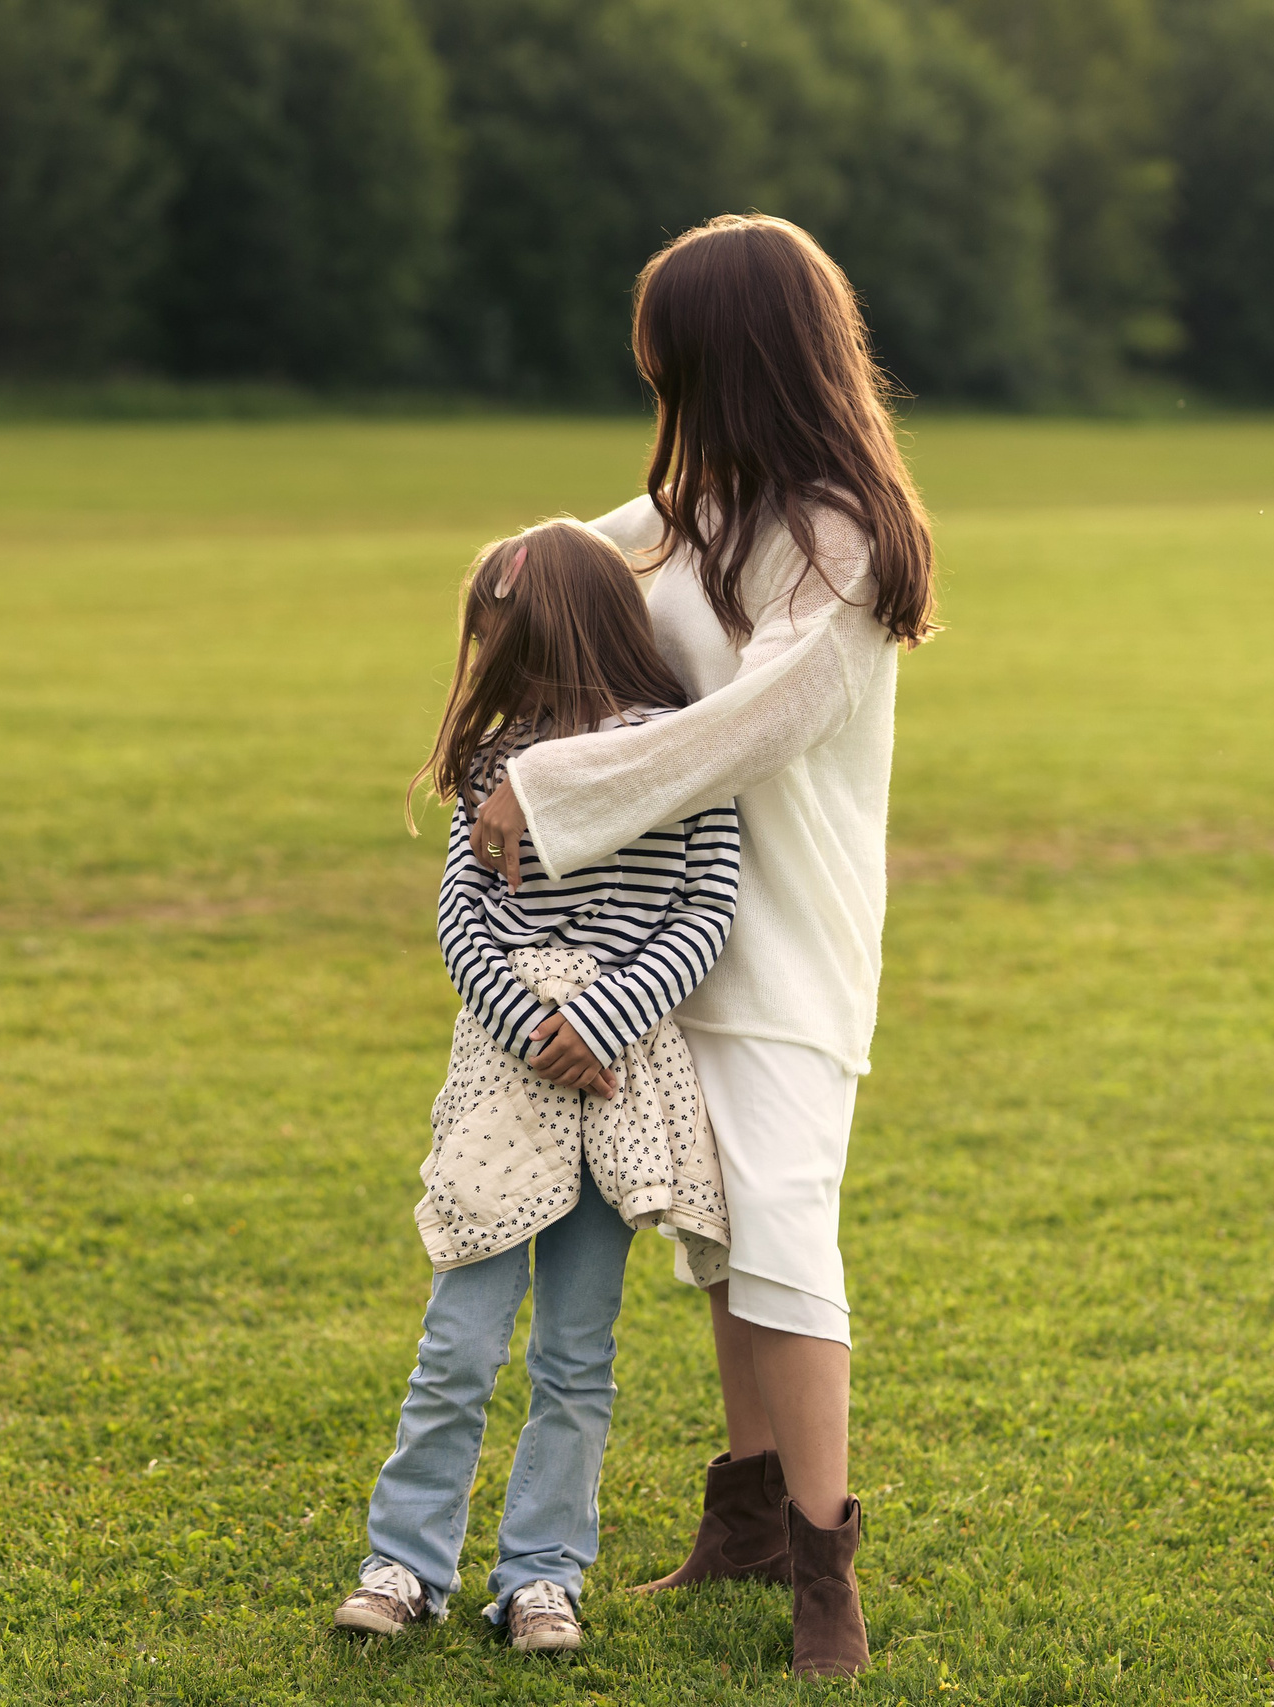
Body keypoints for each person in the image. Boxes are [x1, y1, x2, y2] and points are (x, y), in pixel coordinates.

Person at [470, 214, 939, 1678]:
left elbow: (755, 725)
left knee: (787, 1234)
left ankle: (824, 1566)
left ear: (734, 359)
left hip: (788, 939)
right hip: (670, 930)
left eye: (672, 360)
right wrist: (509, 576)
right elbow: (558, 561)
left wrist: (545, 792)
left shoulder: (838, 541)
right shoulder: (695, 503)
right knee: (720, 1234)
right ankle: (741, 1515)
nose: (659, 388)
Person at [334, 520, 741, 1654]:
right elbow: (461, 911)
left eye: (497, 637)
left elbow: (705, 908)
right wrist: (527, 1023)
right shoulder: (493, 760)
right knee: (458, 1337)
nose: (484, 666)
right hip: (503, 1078)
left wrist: (603, 1016)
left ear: (550, 629)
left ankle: (541, 1574)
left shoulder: (675, 753)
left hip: (615, 1073)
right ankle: (404, 1560)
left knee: (576, 1348)